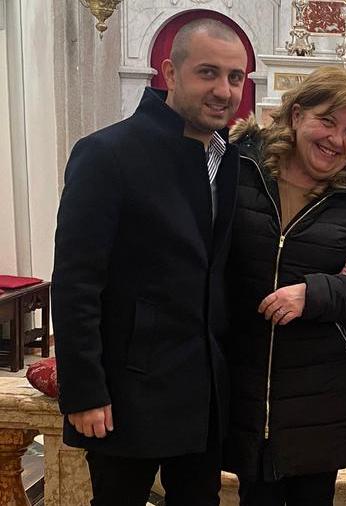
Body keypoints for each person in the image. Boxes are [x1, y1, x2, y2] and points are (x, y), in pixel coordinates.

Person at [52, 19, 247, 506]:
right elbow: (76, 281)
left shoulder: (231, 162)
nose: (224, 90)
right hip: (127, 388)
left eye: (235, 77)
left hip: (201, 389)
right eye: (208, 72)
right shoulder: (107, 154)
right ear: (170, 72)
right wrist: (84, 391)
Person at [223, 66, 346, 506]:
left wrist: (315, 293)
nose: (337, 140)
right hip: (243, 376)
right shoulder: (240, 166)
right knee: (255, 496)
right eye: (327, 121)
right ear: (297, 114)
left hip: (322, 388)